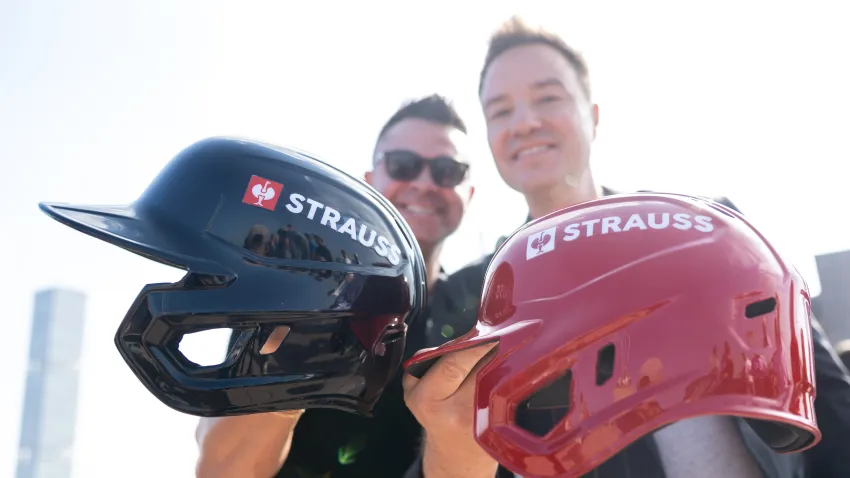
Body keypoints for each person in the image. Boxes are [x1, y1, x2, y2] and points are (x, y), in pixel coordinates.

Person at [403, 16, 850, 478]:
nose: (525, 122)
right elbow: (444, 449)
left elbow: (827, 396)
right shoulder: (473, 293)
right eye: (500, 110)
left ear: (592, 116)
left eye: (548, 97)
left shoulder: (702, 229)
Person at [195, 94, 481, 478]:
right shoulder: (296, 291)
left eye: (447, 171)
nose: (424, 184)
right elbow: (221, 471)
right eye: (403, 165)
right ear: (369, 182)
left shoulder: (475, 319)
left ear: (470, 193)